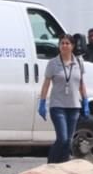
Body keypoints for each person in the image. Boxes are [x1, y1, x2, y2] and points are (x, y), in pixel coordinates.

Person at [38, 34, 90, 163]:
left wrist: (85, 101)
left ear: (72, 46)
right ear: (59, 46)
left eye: (67, 43)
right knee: (62, 138)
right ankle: (50, 165)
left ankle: (62, 166)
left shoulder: (78, 62)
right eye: (62, 43)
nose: (64, 46)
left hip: (74, 107)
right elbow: (46, 84)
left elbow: (81, 83)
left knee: (69, 141)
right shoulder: (53, 63)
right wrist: (42, 101)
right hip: (58, 106)